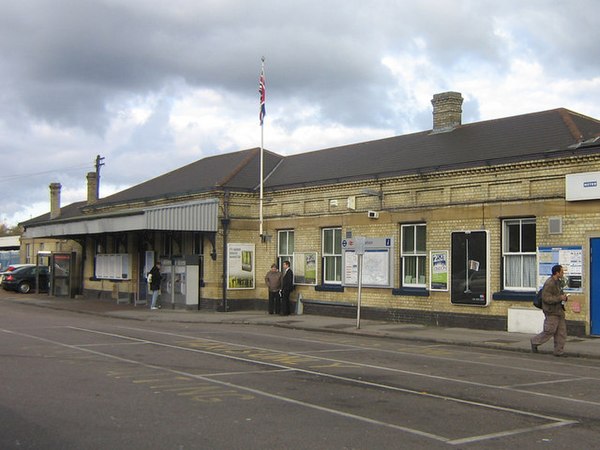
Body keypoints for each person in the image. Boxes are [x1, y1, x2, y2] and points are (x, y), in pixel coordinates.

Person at [531, 264, 569, 356]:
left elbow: (559, 295)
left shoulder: (558, 282)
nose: (563, 273)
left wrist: (564, 298)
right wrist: (560, 298)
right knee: (549, 331)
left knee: (561, 333)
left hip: (559, 311)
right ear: (557, 273)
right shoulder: (549, 283)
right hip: (551, 311)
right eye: (561, 272)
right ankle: (535, 341)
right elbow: (546, 298)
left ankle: (558, 351)